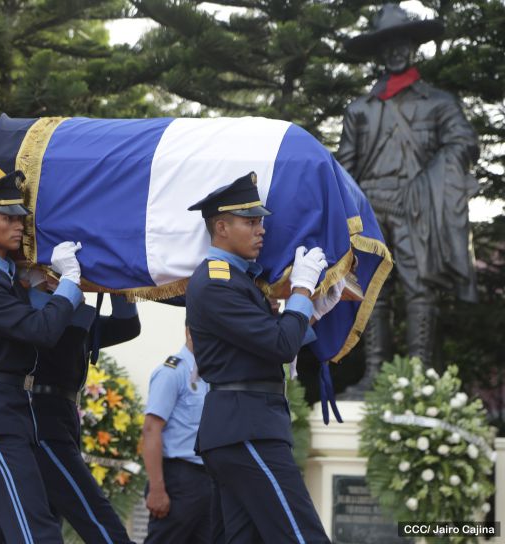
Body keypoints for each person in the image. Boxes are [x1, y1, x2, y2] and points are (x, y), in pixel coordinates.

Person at [185, 171, 342, 543]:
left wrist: (312, 311)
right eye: (250, 222)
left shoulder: (238, 281)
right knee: (302, 536)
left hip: (242, 427)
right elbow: (278, 345)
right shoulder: (218, 282)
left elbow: (262, 342)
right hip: (247, 428)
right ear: (221, 226)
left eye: (260, 222)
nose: (261, 231)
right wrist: (302, 289)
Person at [338, 3, 480, 395]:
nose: (395, 50)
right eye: (387, 44)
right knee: (374, 291)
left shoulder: (439, 102)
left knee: (420, 288)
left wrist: (426, 183)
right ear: (378, 53)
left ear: (413, 46)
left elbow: (464, 143)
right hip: (371, 206)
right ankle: (374, 376)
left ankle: (418, 380)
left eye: (402, 42)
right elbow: (344, 169)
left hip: (418, 206)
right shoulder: (359, 109)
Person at [0, 170, 85, 543]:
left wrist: (46, 285)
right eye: (7, 217)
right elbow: (40, 331)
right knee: (35, 526)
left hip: (8, 410)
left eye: (20, 217)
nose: (19, 225)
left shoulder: (4, 276)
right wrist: (71, 282)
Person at [26, 268, 140, 544]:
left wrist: (118, 274)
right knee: (91, 508)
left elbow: (127, 326)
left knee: (47, 517)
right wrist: (58, 285)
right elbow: (45, 323)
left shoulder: (75, 314)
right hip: (40, 416)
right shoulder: (29, 309)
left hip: (64, 416)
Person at [142, 321, 211, 544]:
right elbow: (151, 429)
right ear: (189, 331)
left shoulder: (215, 375)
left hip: (209, 479)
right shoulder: (172, 372)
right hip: (178, 479)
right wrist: (156, 488)